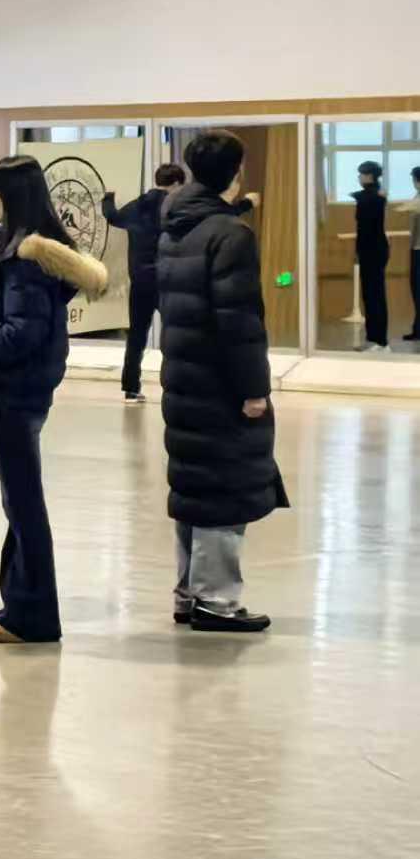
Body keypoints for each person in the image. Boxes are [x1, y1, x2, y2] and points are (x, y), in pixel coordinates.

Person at [0, 154, 106, 645]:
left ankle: (33, 616)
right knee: (18, 502)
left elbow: (19, 336)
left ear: (10, 197)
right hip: (23, 390)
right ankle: (19, 603)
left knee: (24, 505)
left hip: (17, 391)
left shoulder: (26, 261)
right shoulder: (28, 251)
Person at [156, 129, 287, 633]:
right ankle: (216, 600)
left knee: (194, 485)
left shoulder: (175, 227)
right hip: (219, 383)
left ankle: (189, 592)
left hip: (183, 377)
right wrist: (255, 389)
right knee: (223, 489)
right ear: (235, 172)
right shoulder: (230, 234)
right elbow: (239, 321)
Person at [104, 165, 259, 405]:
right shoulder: (174, 208)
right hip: (168, 280)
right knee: (179, 334)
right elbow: (214, 217)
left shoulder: (137, 206)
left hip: (140, 283)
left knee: (136, 336)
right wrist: (246, 204)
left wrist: (108, 196)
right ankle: (182, 385)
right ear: (176, 184)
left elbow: (113, 216)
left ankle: (130, 389)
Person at [354, 160, 390, 352]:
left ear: (369, 176)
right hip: (370, 250)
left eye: (361, 174)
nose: (359, 177)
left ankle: (380, 341)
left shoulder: (373, 197)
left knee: (375, 296)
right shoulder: (373, 195)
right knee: (370, 296)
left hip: (374, 251)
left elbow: (367, 227)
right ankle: (373, 338)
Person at [405, 165, 420, 344]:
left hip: (418, 249)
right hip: (416, 248)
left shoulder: (417, 200)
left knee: (417, 290)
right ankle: (417, 328)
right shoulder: (416, 198)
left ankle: (418, 330)